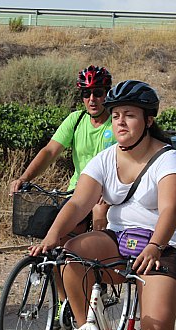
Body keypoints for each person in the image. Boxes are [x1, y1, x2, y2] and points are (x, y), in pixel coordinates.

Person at [29, 80, 176, 330]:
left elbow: (170, 210)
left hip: (168, 249)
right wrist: (51, 238)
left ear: (148, 120)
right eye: (116, 115)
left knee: (156, 325)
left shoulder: (170, 160)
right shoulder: (105, 158)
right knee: (71, 256)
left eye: (130, 116)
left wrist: (155, 245)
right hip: (120, 240)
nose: (120, 122)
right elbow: (79, 202)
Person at [9, 64, 115, 232]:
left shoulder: (116, 123)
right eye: (86, 94)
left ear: (107, 94)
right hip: (78, 190)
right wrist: (24, 179)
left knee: (99, 213)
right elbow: (50, 151)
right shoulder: (76, 119)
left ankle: (100, 254)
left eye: (98, 93)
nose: (92, 99)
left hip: (109, 192)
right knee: (60, 232)